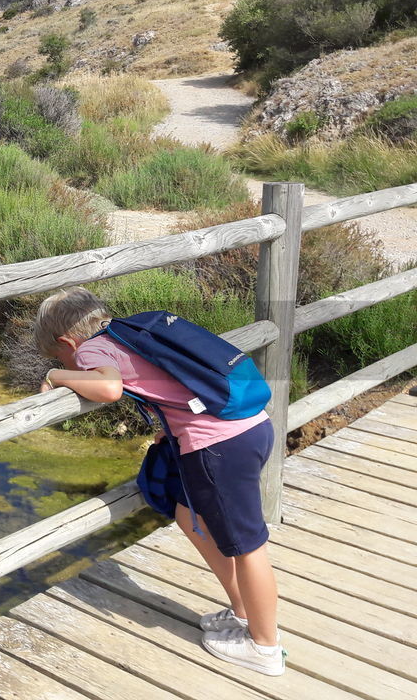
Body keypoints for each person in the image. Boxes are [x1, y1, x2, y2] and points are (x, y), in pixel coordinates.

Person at [33, 286, 285, 676]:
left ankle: (265, 648)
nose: (71, 361)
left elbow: (109, 388)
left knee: (247, 545)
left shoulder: (91, 349)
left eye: (61, 354)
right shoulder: (131, 331)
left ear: (68, 341)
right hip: (249, 428)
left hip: (216, 447)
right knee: (188, 514)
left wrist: (54, 374)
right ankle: (243, 612)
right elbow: (169, 379)